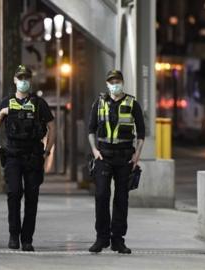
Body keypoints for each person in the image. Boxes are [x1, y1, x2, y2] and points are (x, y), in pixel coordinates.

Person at [0, 65, 55, 252]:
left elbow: (52, 126)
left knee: (32, 198)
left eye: (26, 78)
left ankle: (27, 239)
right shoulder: (7, 102)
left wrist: (47, 151)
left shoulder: (38, 103)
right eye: (20, 78)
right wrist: (2, 113)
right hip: (13, 156)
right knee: (14, 194)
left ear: (30, 81)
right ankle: (13, 235)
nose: (24, 81)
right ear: (15, 80)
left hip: (34, 155)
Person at [87, 70, 145, 254]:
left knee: (121, 199)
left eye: (118, 81)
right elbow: (91, 130)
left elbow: (142, 133)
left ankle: (117, 240)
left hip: (125, 157)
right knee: (102, 195)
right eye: (112, 82)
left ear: (123, 82)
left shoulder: (132, 103)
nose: (115, 84)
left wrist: (137, 156)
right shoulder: (99, 103)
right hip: (104, 156)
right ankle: (101, 238)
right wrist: (95, 151)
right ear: (107, 84)